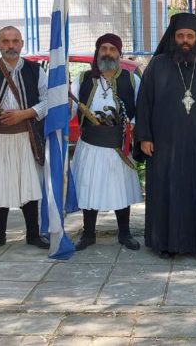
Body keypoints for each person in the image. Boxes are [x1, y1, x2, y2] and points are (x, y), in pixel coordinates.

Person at [135, 13, 196, 258]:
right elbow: (144, 102)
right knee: (165, 194)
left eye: (189, 36)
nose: (185, 41)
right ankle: (164, 244)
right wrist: (144, 136)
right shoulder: (157, 66)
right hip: (163, 148)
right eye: (180, 36)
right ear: (172, 37)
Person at [0, 26, 49, 253]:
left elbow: (48, 100)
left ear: (22, 44)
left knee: (29, 184)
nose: (11, 46)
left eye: (15, 41)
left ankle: (33, 235)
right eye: (5, 41)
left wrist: (24, 114)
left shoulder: (36, 70)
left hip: (26, 135)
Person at [70, 34, 143, 251]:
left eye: (112, 49)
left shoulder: (132, 80)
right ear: (97, 52)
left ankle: (125, 233)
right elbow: (70, 110)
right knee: (88, 186)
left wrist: (132, 125)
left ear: (119, 54)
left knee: (120, 188)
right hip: (90, 143)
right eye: (104, 48)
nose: (108, 53)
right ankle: (88, 234)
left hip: (118, 144)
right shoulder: (83, 79)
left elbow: (142, 109)